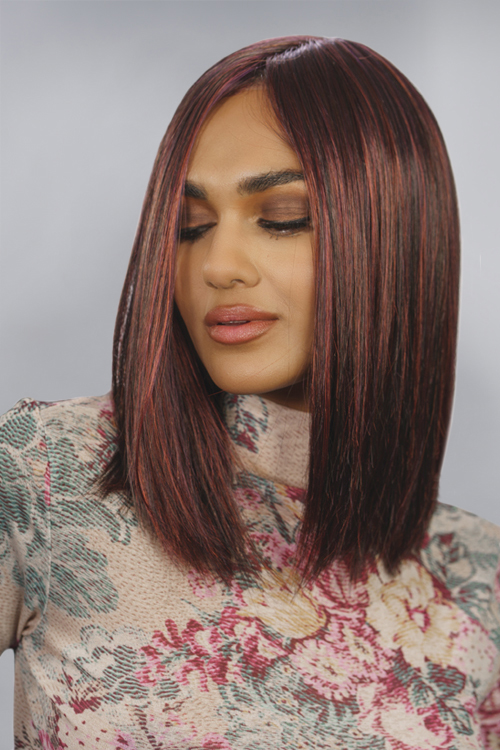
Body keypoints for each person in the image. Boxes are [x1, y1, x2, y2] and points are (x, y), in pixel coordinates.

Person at [1, 35, 499, 750]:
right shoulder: (50, 472)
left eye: (282, 218)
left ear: (393, 238)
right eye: (190, 226)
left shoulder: (480, 579)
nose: (218, 264)